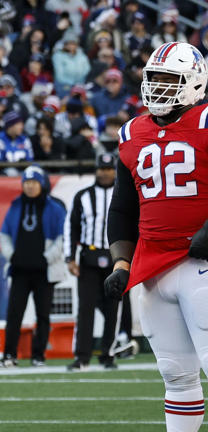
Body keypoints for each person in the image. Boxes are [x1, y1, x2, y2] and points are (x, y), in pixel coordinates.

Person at [104, 42, 208, 431]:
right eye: (153, 79)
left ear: (194, 83)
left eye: (169, 79)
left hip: (204, 262)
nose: (159, 87)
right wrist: (121, 263)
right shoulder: (132, 133)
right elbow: (123, 209)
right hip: (153, 265)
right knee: (175, 374)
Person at [0, 166, 67, 367]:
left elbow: (62, 238)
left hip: (44, 271)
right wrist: (12, 255)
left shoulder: (54, 208)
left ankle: (38, 355)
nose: (30, 187)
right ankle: (9, 355)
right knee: (14, 314)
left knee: (43, 315)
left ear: (42, 184)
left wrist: (46, 258)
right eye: (26, 183)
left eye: (34, 182)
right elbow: (4, 235)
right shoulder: (16, 205)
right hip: (20, 270)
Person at [65, 153, 121, 371]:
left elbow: (133, 226)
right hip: (88, 258)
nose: (105, 173)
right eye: (101, 169)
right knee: (85, 309)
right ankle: (82, 356)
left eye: (108, 169)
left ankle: (108, 354)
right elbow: (71, 228)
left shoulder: (123, 194)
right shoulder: (82, 196)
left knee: (112, 309)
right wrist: (70, 258)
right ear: (96, 170)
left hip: (115, 258)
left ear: (114, 171)